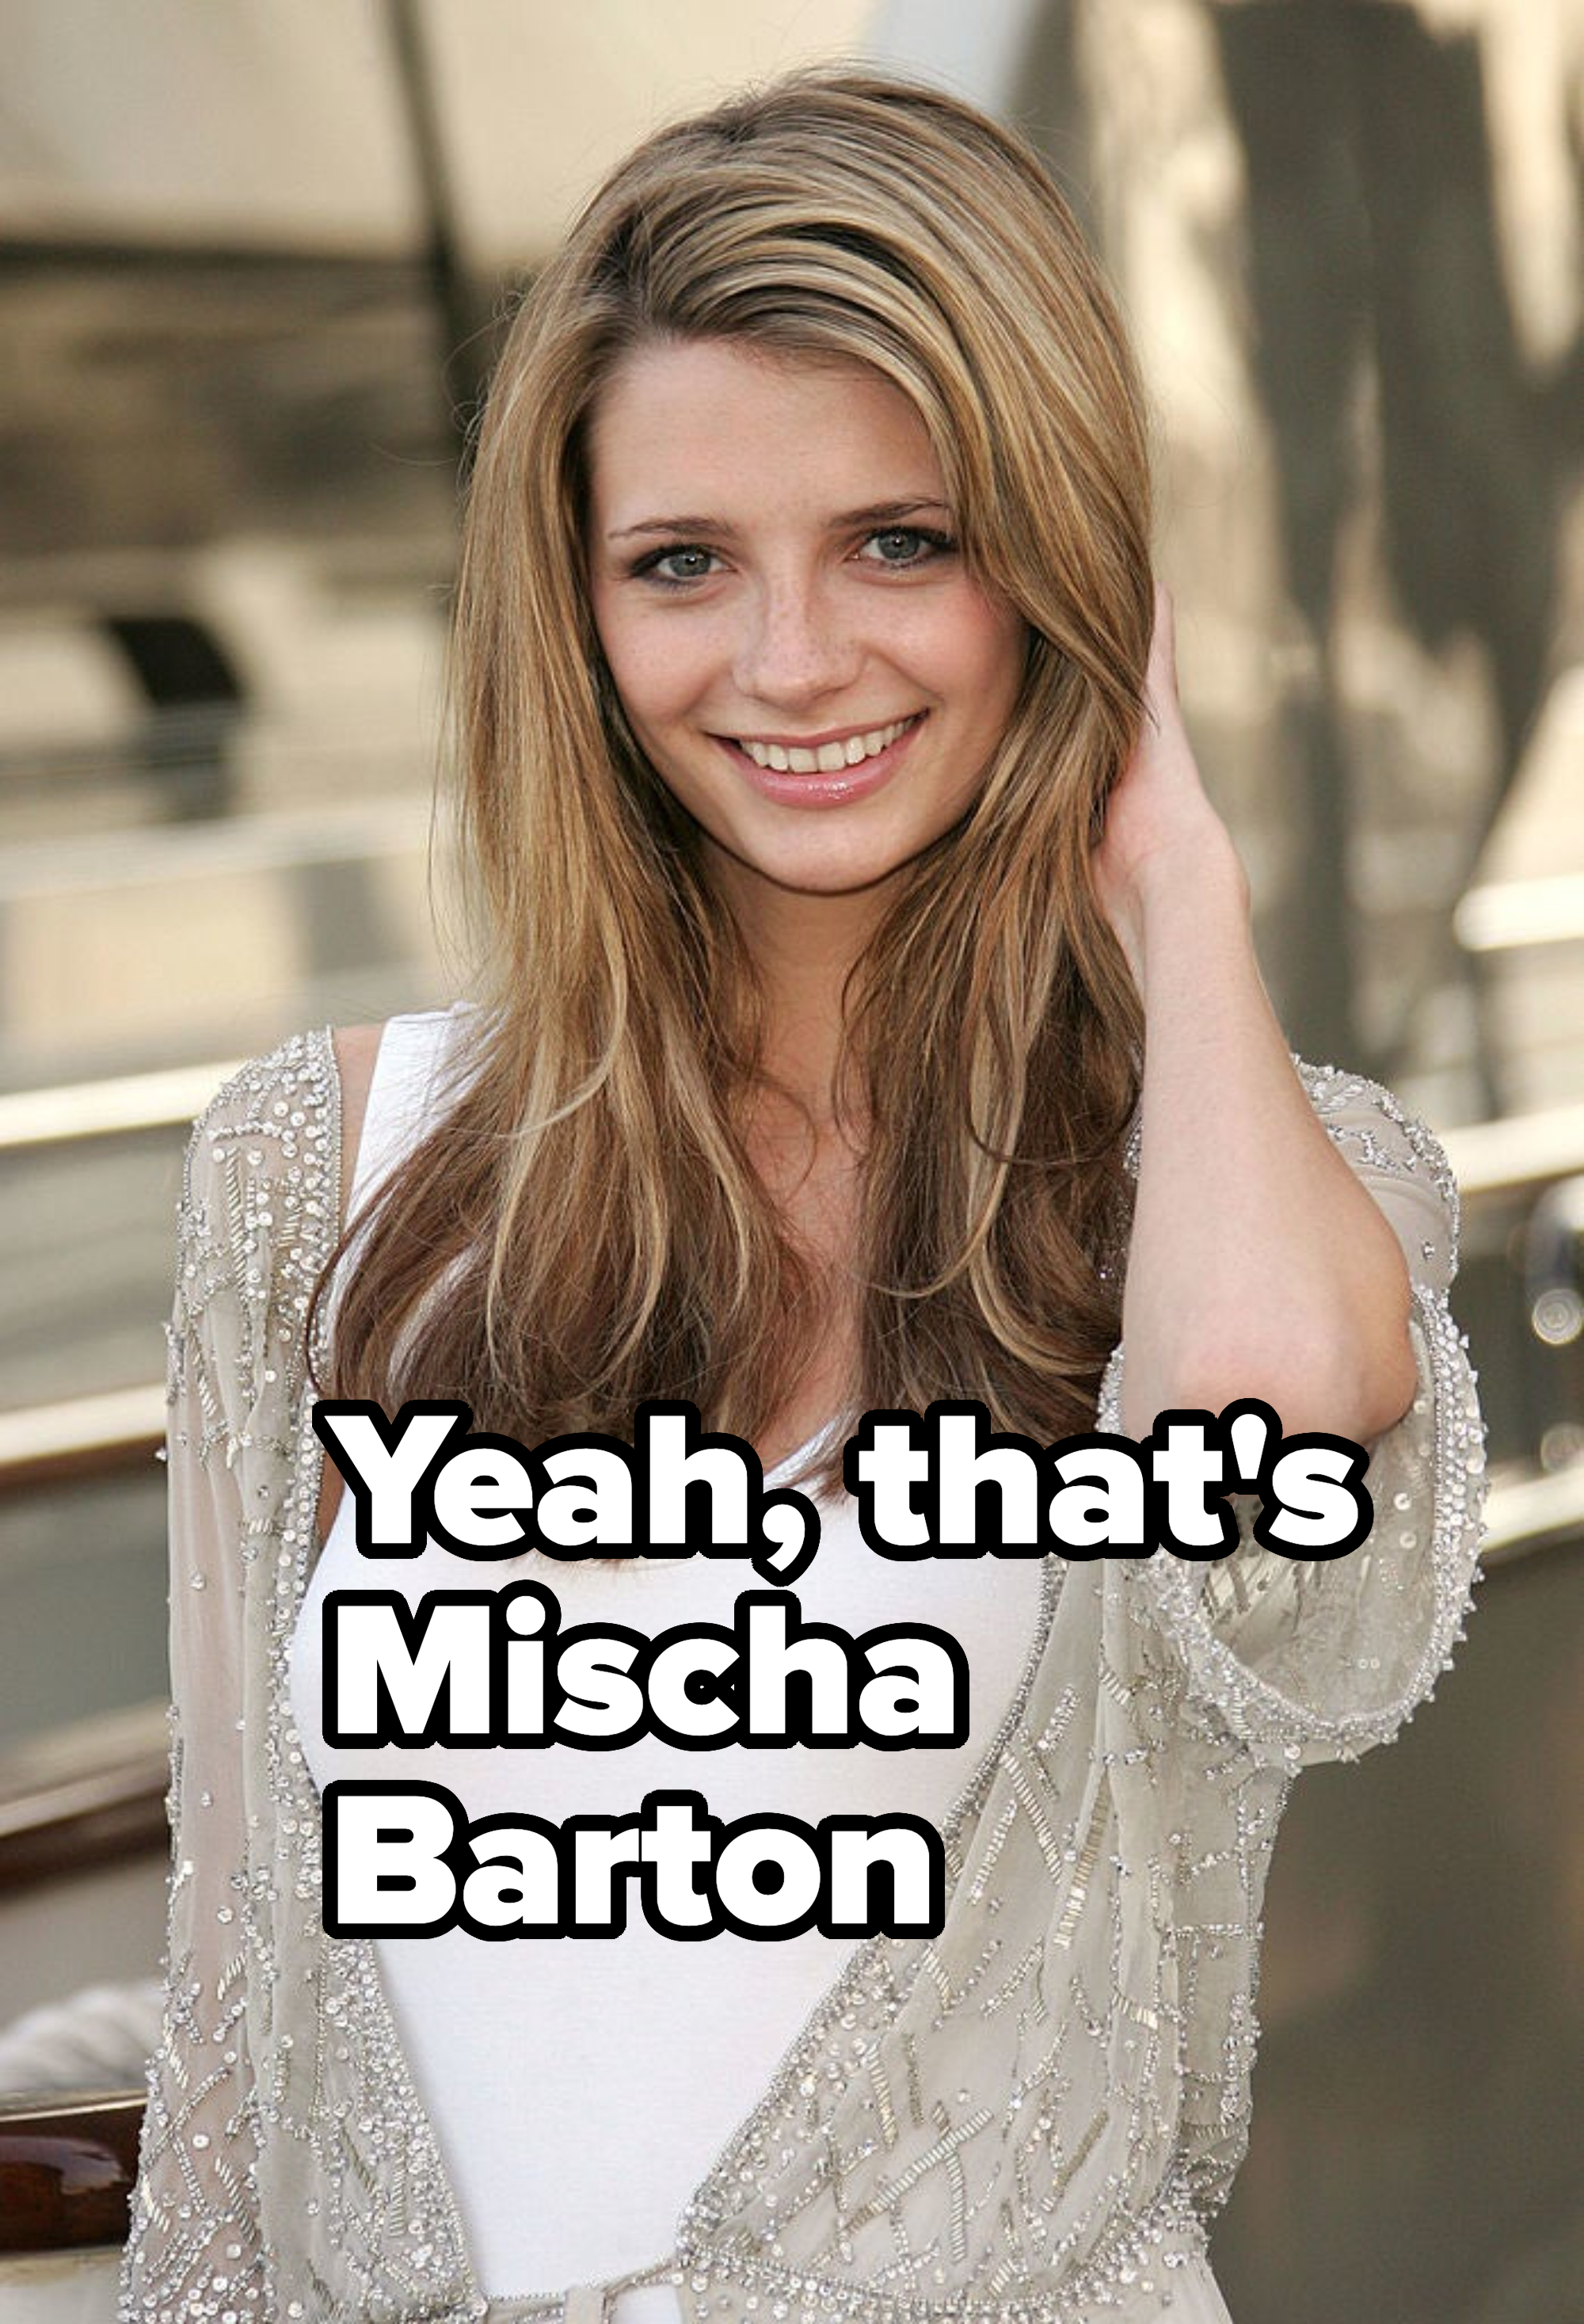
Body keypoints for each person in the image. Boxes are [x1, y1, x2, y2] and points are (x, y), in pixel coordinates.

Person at [120, 67, 1485, 2324]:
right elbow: (235, 2003)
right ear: (573, 610)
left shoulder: (1262, 1178)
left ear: (1058, 566)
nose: (790, 665)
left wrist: (1174, 858)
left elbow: (1252, 1417)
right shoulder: (315, 1168)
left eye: (901, 543)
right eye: (683, 563)